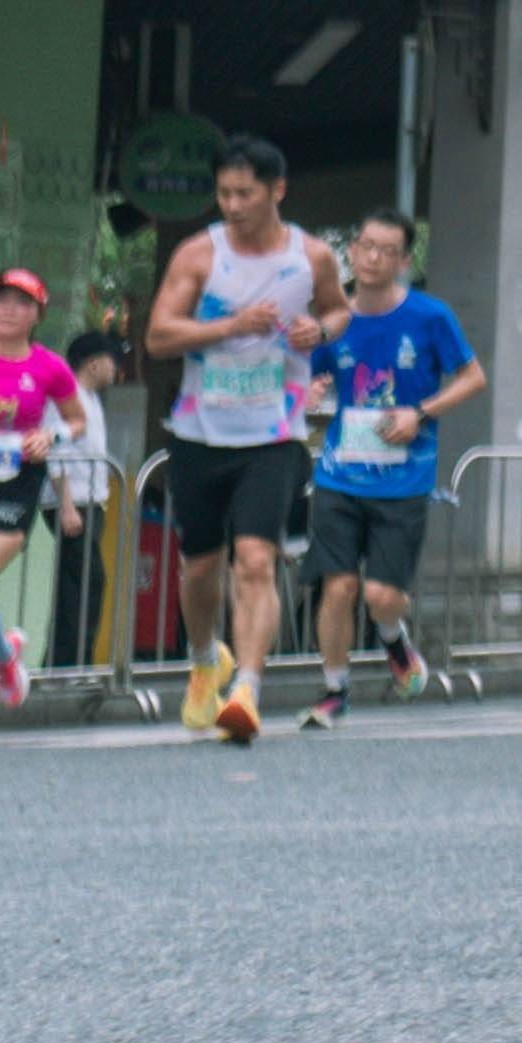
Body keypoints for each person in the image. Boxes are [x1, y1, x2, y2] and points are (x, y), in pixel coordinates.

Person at [142, 138, 334, 744]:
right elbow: (157, 337)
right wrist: (230, 325)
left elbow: (341, 311)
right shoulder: (200, 254)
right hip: (201, 431)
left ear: (277, 191)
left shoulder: (312, 255)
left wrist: (319, 328)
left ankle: (247, 688)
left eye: (244, 193)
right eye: (223, 193)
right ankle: (205, 662)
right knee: (200, 569)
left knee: (256, 560)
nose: (232, 205)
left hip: (275, 434)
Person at [298, 214, 486, 724]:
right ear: (352, 252)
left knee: (382, 596)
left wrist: (420, 412)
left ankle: (392, 638)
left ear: (405, 261)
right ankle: (334, 688)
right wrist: (309, 391)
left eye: (386, 250)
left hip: (403, 480)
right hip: (339, 474)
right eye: (364, 246)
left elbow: (473, 378)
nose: (373, 257)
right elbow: (307, 378)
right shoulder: (330, 320)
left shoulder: (429, 317)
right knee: (338, 587)